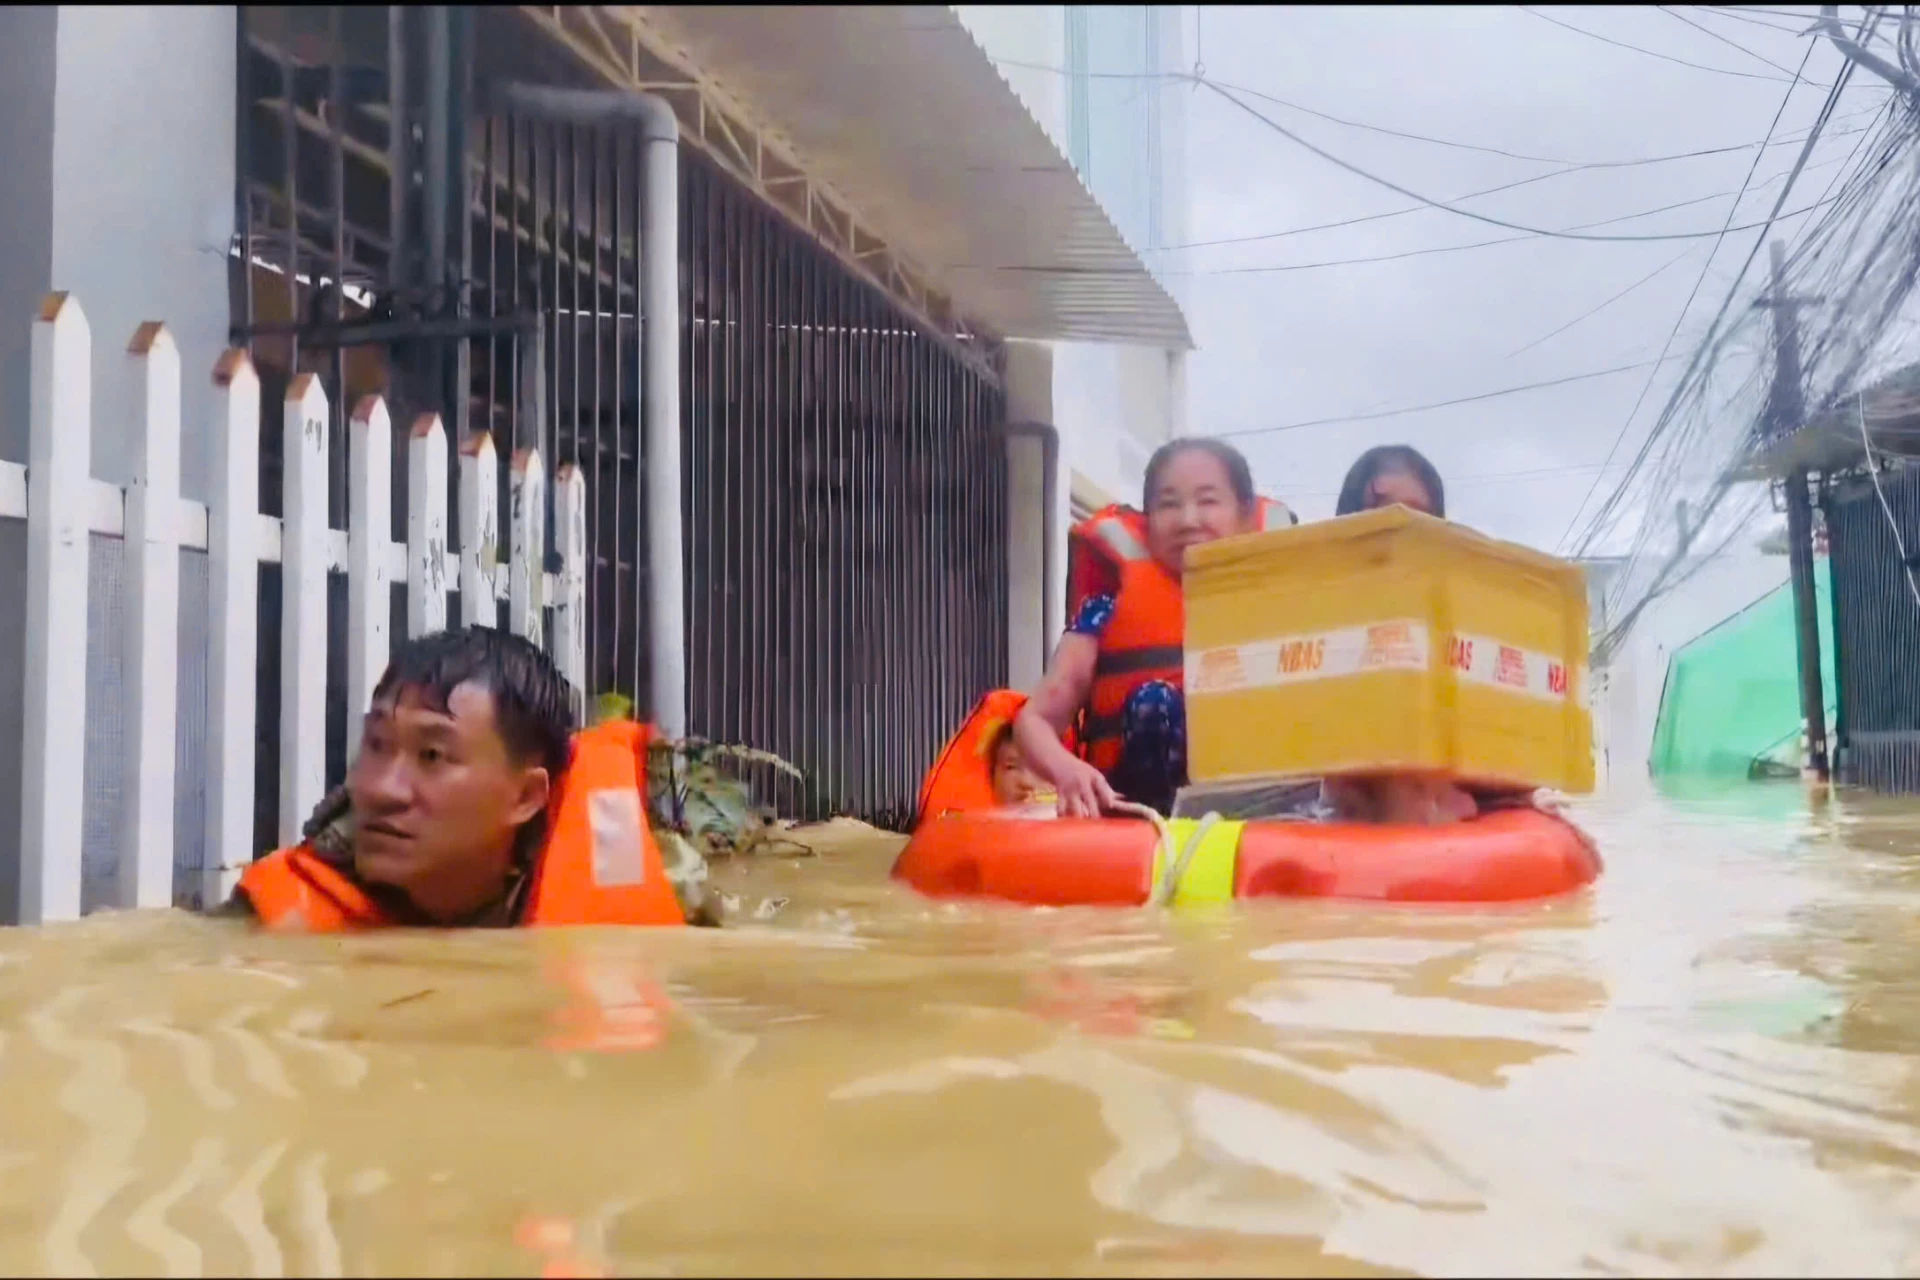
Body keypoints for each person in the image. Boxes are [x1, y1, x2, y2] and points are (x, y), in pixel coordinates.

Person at [221, 625, 690, 930]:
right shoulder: (269, 919)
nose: (380, 789)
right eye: (377, 745)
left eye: (431, 754)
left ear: (525, 797)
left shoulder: (675, 886)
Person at [1014, 437, 1295, 818]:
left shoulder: (1292, 604)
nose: (1188, 519)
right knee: (1154, 704)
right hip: (1136, 819)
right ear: (1148, 521)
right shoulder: (1104, 609)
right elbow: (1034, 721)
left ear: (1246, 516)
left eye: (1208, 500)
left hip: (1262, 815)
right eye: (1169, 504)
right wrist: (1067, 771)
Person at [913, 689, 1050, 825]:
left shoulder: (1063, 834)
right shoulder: (959, 833)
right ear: (992, 776)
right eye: (1012, 767)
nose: (1026, 782)